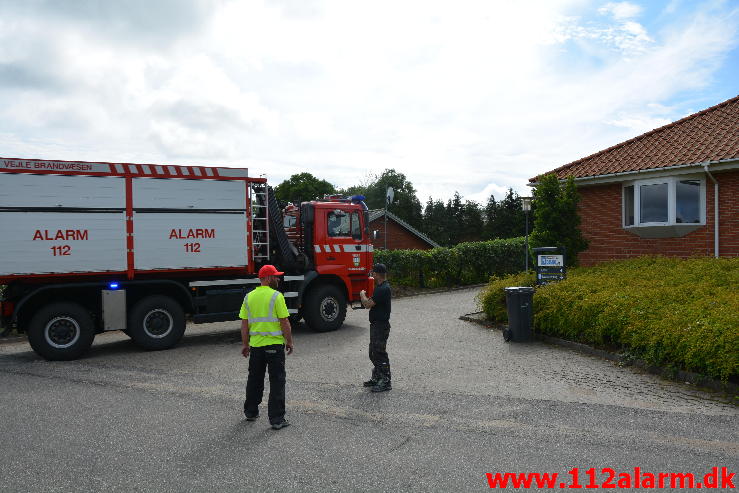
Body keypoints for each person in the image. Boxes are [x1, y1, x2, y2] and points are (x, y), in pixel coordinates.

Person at [240, 264, 294, 429]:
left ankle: (251, 412)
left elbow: (244, 324)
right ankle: (277, 419)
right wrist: (289, 341)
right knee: (277, 381)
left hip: (256, 347)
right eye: (276, 276)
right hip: (274, 346)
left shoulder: (248, 297)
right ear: (268, 278)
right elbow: (284, 322)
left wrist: (245, 344)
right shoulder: (276, 296)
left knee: (254, 379)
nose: (278, 279)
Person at [359, 263, 392, 392]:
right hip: (376, 325)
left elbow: (368, 304)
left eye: (373, 272)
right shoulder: (380, 287)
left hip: (381, 326)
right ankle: (377, 377)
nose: (372, 274)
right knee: (373, 353)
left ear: (378, 274)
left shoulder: (383, 288)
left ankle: (385, 381)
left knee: (379, 353)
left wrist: (362, 294)